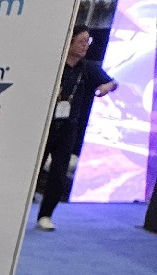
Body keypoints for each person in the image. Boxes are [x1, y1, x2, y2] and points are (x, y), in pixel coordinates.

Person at [37, 25, 117, 231]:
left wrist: (107, 86)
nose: (85, 46)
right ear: (69, 41)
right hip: (44, 124)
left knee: (59, 172)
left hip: (68, 127)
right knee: (34, 168)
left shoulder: (88, 68)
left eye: (88, 42)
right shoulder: (54, 64)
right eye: (81, 41)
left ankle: (45, 214)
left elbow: (113, 82)